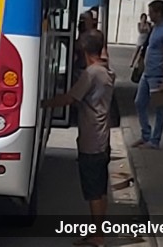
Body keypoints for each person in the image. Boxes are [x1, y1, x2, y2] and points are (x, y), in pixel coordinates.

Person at [42, 30, 114, 247]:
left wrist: (43, 104)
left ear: (83, 50)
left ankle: (97, 236)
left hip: (92, 138)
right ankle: (97, 231)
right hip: (101, 136)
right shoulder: (105, 71)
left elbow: (70, 98)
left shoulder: (91, 74)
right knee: (99, 189)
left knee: (93, 190)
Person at [133, 0, 163, 150]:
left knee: (159, 108)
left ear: (158, 13)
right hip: (147, 73)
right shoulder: (155, 29)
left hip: (157, 75)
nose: (149, 15)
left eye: (151, 12)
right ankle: (146, 134)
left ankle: (155, 140)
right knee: (139, 102)